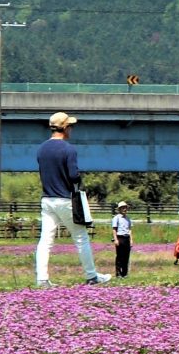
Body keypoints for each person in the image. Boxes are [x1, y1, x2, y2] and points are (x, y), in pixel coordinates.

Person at [35, 111, 110, 287]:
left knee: (46, 240)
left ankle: (42, 278)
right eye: (71, 126)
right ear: (65, 128)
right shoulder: (68, 149)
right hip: (65, 199)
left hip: (47, 199)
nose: (72, 129)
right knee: (80, 237)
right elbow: (74, 176)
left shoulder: (41, 149)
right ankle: (92, 276)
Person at [111, 201, 133, 278]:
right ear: (119, 209)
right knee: (119, 256)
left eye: (125, 208)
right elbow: (114, 229)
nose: (125, 209)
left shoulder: (128, 219)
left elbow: (130, 230)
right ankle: (118, 273)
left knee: (126, 256)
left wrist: (131, 240)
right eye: (123, 208)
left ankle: (125, 273)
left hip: (127, 238)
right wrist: (116, 239)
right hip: (120, 237)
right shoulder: (116, 218)